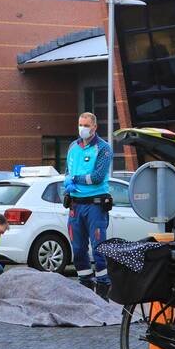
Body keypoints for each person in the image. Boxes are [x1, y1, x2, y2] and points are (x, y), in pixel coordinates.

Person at [64, 112, 114, 299]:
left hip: (95, 206)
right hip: (75, 205)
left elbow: (97, 177)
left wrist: (74, 179)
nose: (82, 128)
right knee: (78, 249)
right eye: (80, 124)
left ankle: (103, 287)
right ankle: (85, 284)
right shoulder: (73, 146)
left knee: (99, 248)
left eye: (86, 125)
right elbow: (67, 172)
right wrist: (67, 183)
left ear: (94, 127)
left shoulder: (103, 148)